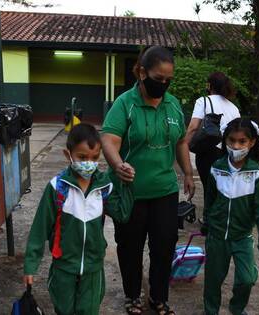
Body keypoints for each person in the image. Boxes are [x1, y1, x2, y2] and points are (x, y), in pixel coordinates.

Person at [101, 46, 195, 315]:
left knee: (164, 248)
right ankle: (132, 295)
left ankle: (158, 297)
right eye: (158, 78)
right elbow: (109, 139)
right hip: (131, 192)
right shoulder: (125, 103)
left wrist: (188, 172)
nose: (162, 85)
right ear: (142, 72)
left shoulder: (173, 104)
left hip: (164, 190)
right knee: (130, 248)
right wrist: (118, 165)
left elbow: (180, 141)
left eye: (168, 80)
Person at [23, 123, 133, 315]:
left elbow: (122, 214)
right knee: (64, 311)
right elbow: (39, 228)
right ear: (69, 155)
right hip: (63, 269)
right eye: (82, 157)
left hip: (93, 270)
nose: (88, 163)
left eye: (94, 157)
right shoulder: (57, 188)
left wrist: (125, 183)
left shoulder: (104, 187)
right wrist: (30, 265)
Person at [201, 118, 259, 315]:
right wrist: (207, 224)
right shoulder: (216, 167)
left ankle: (237, 308)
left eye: (242, 141)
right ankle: (211, 311)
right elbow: (209, 200)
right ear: (225, 141)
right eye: (231, 140)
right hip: (217, 236)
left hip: (242, 238)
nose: (236, 146)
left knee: (247, 279)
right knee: (213, 280)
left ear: (252, 143)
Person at [184, 72, 240, 199]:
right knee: (223, 190)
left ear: (209, 85)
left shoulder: (203, 101)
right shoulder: (234, 108)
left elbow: (193, 128)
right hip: (228, 153)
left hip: (208, 152)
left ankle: (208, 218)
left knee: (209, 189)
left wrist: (183, 145)